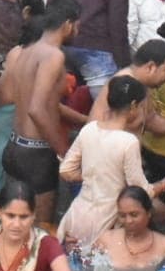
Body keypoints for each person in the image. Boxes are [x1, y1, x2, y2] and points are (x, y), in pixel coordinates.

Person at [0, 0, 76, 226]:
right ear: (67, 24)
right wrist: (63, 152)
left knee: (13, 225)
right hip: (36, 154)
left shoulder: (25, 51)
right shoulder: (54, 55)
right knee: (41, 231)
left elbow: (7, 97)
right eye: (77, 26)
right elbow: (37, 109)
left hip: (14, 146)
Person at [56, 75, 152, 247]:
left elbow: (66, 170)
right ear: (133, 106)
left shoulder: (89, 129)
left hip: (76, 216)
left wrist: (92, 176)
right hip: (105, 223)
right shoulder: (128, 142)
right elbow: (140, 190)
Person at [92, 187, 165, 271]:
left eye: (134, 215)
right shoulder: (106, 240)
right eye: (122, 216)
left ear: (148, 213)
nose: (128, 221)